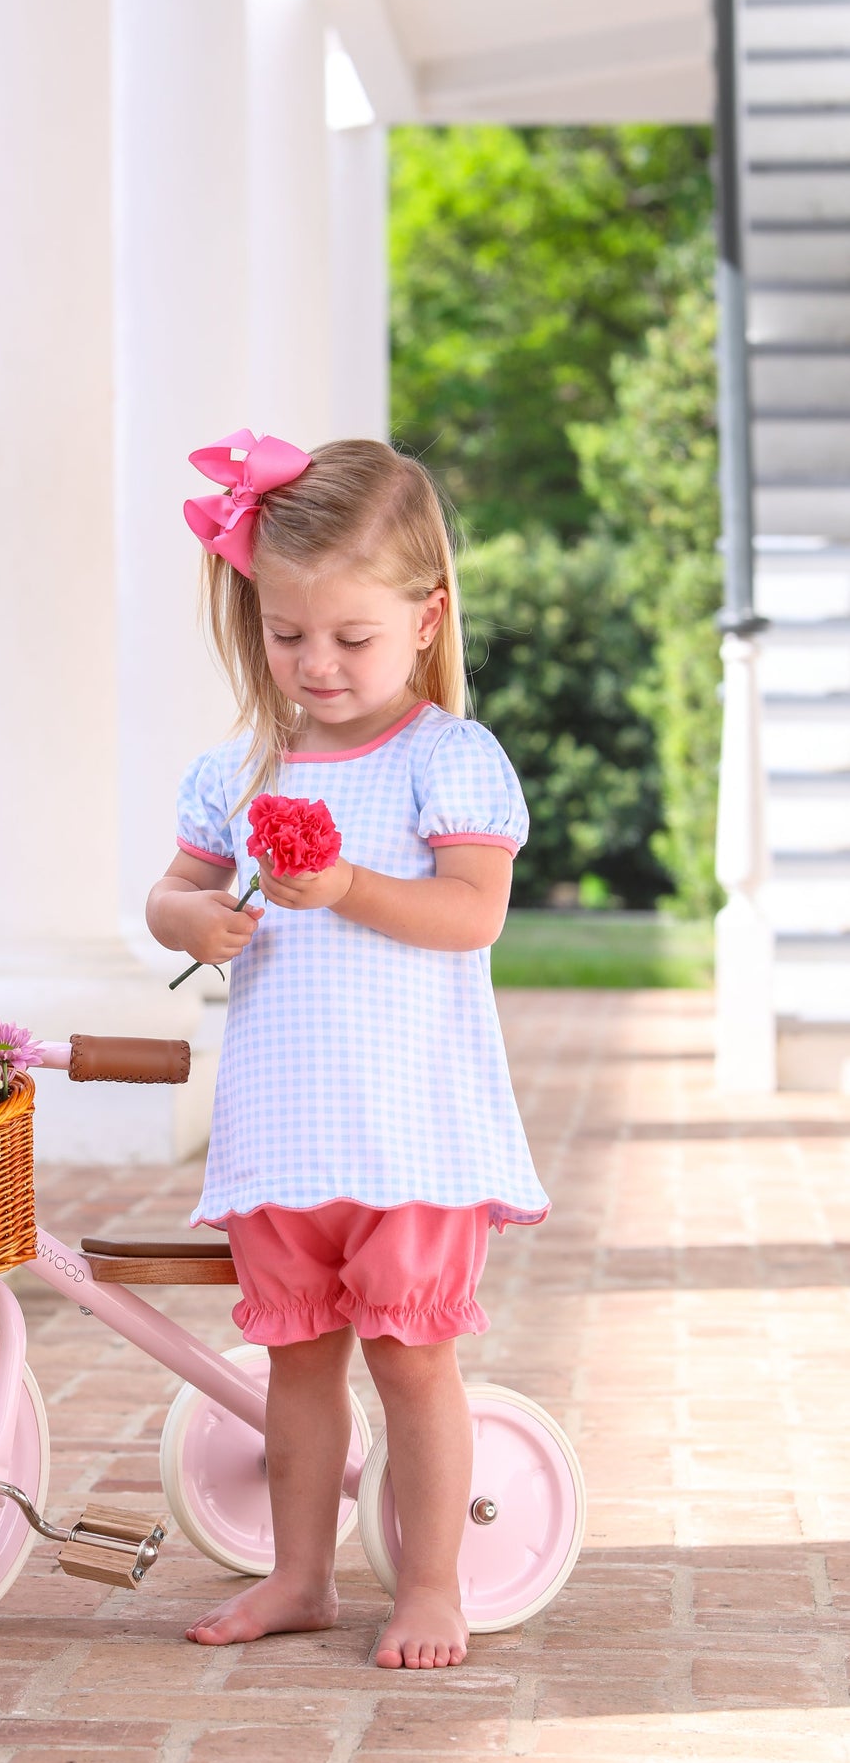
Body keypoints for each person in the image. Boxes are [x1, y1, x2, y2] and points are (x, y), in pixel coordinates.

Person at [147, 431, 549, 1669]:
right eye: (285, 634)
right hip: (284, 1128)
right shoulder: (236, 767)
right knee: (298, 1361)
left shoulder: (447, 758)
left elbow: (468, 913)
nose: (313, 664)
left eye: (349, 637)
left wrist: (344, 883)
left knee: (410, 1357)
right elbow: (170, 892)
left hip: (410, 1128)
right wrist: (194, 922)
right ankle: (299, 1572)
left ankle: (430, 1583)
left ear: (424, 619)